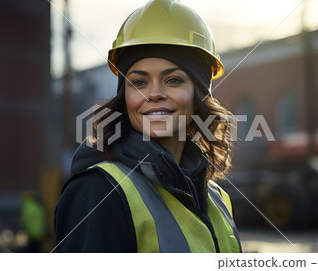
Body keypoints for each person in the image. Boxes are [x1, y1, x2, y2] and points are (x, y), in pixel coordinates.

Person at [54, 0, 241, 252]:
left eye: (173, 80)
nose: (153, 94)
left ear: (199, 96)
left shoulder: (217, 199)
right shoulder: (99, 191)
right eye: (139, 82)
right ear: (125, 96)